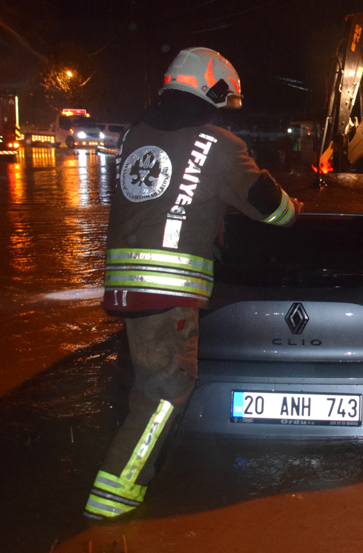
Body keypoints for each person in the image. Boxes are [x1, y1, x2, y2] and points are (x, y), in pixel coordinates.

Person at [84, 47, 303, 523]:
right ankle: (113, 499)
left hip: (124, 286)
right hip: (169, 291)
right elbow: (272, 210)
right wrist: (296, 206)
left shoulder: (134, 134)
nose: (227, 112)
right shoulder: (219, 144)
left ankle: (121, 486)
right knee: (166, 390)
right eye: (226, 101)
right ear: (214, 91)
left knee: (148, 384)